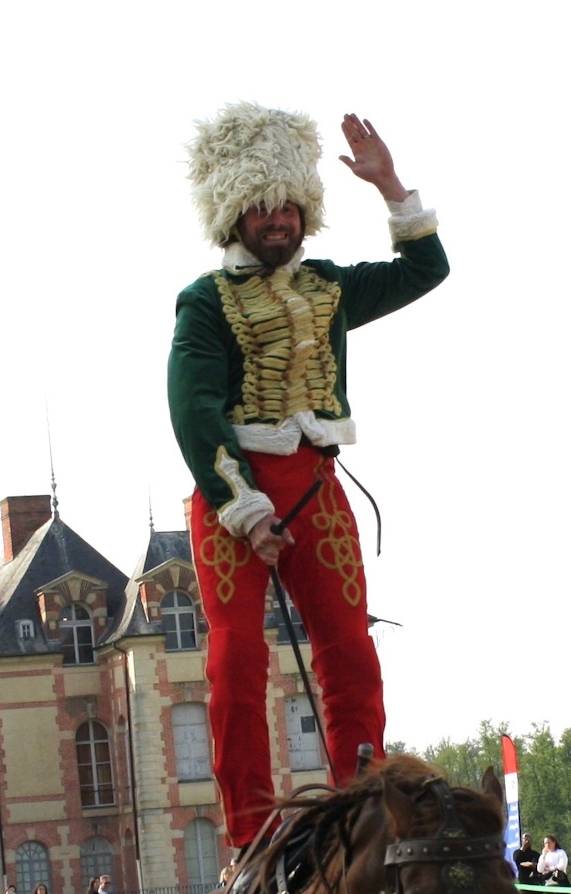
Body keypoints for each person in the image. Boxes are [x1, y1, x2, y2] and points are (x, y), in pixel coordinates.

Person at [168, 104, 449, 853]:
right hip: (233, 493)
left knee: (350, 650)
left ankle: (362, 814)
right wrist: (245, 509)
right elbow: (195, 412)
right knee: (236, 659)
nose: (277, 219)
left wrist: (391, 186)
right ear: (234, 213)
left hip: (316, 486)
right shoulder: (204, 302)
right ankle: (252, 835)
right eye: (262, 206)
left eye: (288, 205)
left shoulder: (329, 288)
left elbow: (426, 270)